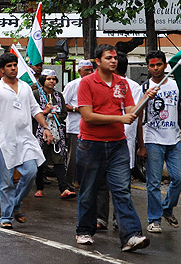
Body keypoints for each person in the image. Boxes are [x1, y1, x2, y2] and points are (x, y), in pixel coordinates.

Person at [75, 44, 158, 252]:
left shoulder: (122, 84)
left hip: (118, 145)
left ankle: (131, 236)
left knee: (122, 190)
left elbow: (131, 111)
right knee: (89, 191)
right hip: (91, 145)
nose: (113, 61)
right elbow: (87, 116)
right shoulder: (86, 83)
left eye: (114, 58)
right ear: (97, 61)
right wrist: (119, 118)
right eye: (108, 58)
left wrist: (144, 100)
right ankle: (84, 230)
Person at [0, 53, 52, 229]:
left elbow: (35, 109)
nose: (13, 68)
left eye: (15, 65)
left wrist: (45, 127)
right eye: (9, 66)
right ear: (1, 70)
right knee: (5, 183)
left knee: (31, 172)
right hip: (4, 142)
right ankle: (6, 217)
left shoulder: (25, 88)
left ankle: (16, 204)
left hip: (25, 139)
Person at [137, 50, 181, 234]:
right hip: (153, 140)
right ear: (147, 67)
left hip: (174, 140)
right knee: (153, 182)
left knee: (180, 177)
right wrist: (141, 145)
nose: (155, 68)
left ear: (165, 65)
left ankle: (167, 208)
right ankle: (154, 220)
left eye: (158, 64)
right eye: (151, 65)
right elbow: (137, 116)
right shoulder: (144, 87)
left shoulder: (176, 86)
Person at [31, 69, 74, 198]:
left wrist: (57, 115)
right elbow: (31, 112)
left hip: (57, 134)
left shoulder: (58, 96)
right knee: (40, 160)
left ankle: (63, 188)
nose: (51, 81)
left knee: (59, 160)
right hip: (40, 132)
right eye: (49, 78)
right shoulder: (36, 94)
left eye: (53, 79)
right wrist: (45, 112)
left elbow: (64, 113)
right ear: (43, 79)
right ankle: (39, 187)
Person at [62, 60, 94, 192]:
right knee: (73, 157)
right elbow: (63, 104)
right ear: (79, 71)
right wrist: (77, 109)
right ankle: (69, 184)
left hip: (92, 127)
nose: (90, 72)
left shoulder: (96, 84)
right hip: (75, 127)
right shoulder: (72, 85)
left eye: (91, 70)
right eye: (87, 70)